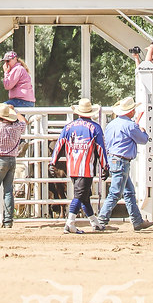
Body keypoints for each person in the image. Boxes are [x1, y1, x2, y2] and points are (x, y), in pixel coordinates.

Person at [50, 97, 108, 234]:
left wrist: (53, 162)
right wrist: (105, 167)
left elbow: (59, 145)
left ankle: (95, 223)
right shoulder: (95, 128)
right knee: (80, 195)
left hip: (72, 167)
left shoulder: (68, 127)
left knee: (84, 195)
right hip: (86, 168)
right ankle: (70, 223)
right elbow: (100, 148)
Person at [97, 95, 153, 232]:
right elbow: (143, 140)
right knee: (116, 193)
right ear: (129, 111)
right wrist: (142, 131)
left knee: (128, 192)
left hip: (113, 159)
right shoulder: (130, 125)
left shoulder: (111, 125)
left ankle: (137, 221)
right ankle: (101, 221)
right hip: (122, 161)